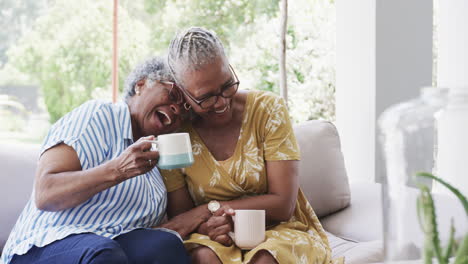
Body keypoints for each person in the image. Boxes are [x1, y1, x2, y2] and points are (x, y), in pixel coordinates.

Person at [163, 27, 344, 264]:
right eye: (206, 97)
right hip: (214, 236)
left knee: (265, 259)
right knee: (204, 256)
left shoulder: (268, 110)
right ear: (182, 93)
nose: (222, 102)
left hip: (279, 229)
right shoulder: (174, 134)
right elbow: (183, 217)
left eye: (227, 84)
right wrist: (213, 223)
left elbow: (282, 204)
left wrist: (211, 209)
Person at [0, 56, 191, 264]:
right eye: (173, 94)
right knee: (104, 253)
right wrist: (118, 170)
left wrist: (210, 212)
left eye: (186, 109)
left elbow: (141, 236)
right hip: (40, 247)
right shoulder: (99, 116)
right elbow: (45, 193)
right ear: (141, 85)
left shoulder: (154, 165)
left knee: (165, 246)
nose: (177, 109)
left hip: (108, 246)